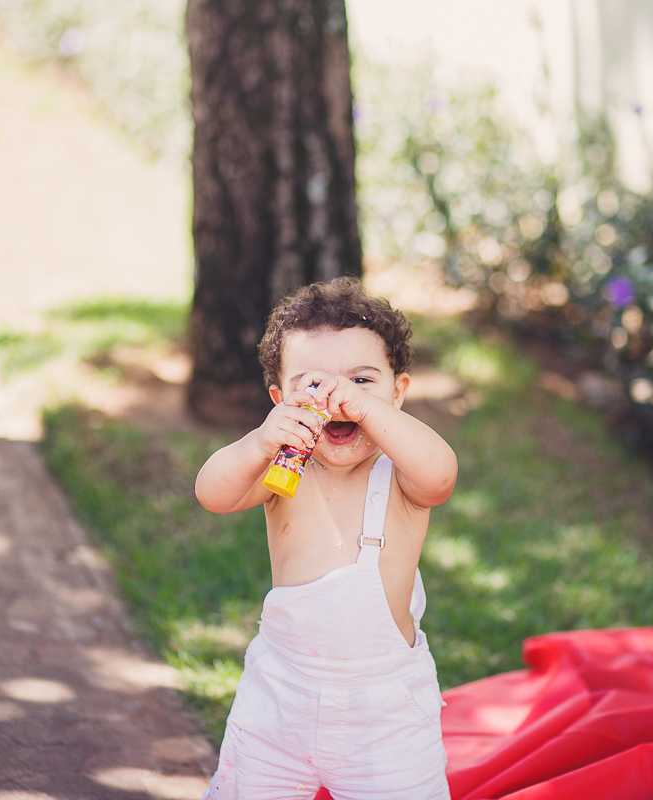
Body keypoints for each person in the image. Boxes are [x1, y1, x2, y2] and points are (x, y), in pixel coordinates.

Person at [195, 277, 458, 800]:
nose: (337, 400)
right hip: (280, 697)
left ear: (398, 392)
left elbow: (441, 474)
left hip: (385, 711)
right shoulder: (282, 470)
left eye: (361, 381)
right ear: (279, 399)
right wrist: (258, 441)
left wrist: (368, 412)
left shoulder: (401, 474)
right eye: (312, 384)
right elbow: (213, 494)